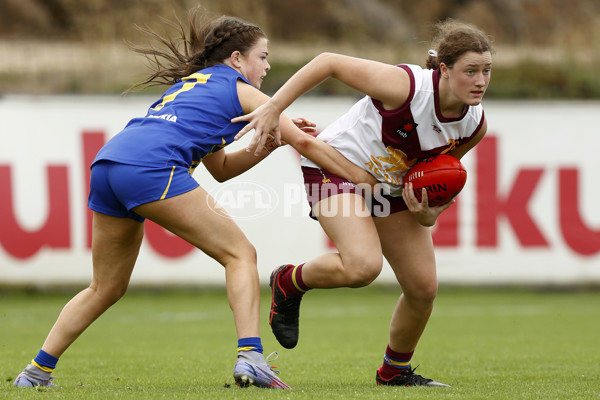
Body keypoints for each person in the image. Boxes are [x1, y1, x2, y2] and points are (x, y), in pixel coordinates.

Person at [13, 8, 375, 390]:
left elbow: (220, 168)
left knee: (105, 287)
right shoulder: (243, 90)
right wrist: (364, 179)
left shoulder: (194, 84)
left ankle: (36, 372)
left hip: (110, 164)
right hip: (151, 167)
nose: (267, 67)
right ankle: (251, 357)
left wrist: (268, 144)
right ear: (237, 59)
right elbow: (304, 141)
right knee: (241, 254)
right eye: (263, 57)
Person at [233, 19, 492, 387]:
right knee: (363, 267)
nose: (481, 81)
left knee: (423, 288)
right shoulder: (407, 87)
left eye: (486, 71)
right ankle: (289, 282)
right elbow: (328, 62)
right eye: (471, 71)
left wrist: (431, 211)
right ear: (445, 70)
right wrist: (274, 107)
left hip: (387, 187)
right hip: (332, 165)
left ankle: (394, 372)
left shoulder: (474, 125)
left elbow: (439, 174)